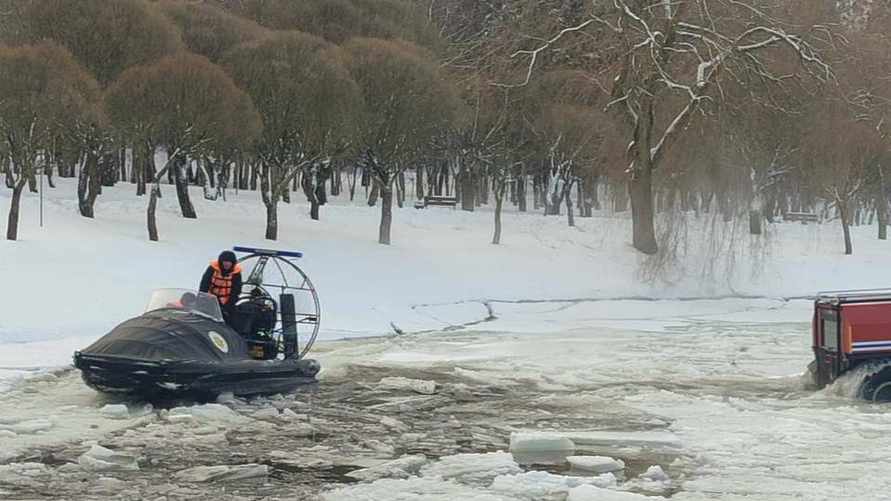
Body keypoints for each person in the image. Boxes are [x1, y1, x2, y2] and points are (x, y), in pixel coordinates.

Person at [200, 250, 243, 325]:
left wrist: (230, 304)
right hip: (210, 298)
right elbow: (204, 283)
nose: (226, 264)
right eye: (225, 261)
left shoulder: (236, 273)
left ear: (232, 263)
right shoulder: (212, 269)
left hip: (227, 301)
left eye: (229, 262)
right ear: (221, 262)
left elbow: (236, 290)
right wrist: (202, 296)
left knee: (232, 320)